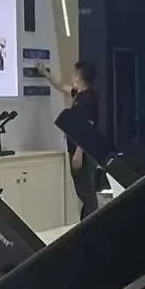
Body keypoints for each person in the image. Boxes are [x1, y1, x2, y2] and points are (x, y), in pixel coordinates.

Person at [38, 60, 101, 220]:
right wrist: (45, 73)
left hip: (84, 153)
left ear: (80, 76)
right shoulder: (79, 95)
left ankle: (91, 223)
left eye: (74, 73)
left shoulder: (89, 99)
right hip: (75, 149)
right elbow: (61, 87)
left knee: (87, 194)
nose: (72, 76)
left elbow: (88, 127)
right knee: (82, 192)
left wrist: (79, 152)